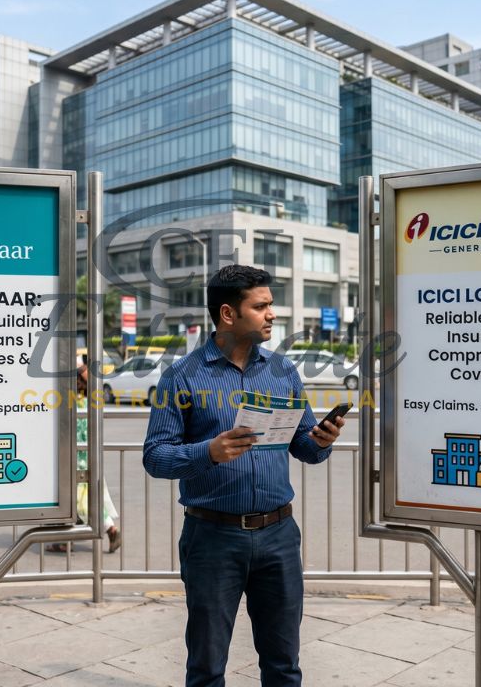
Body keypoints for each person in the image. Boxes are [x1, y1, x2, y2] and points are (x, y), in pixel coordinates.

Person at [144, 265, 344, 686]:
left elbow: (303, 447)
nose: (272, 314)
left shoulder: (282, 371)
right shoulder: (181, 377)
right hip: (212, 540)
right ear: (228, 314)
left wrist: (321, 440)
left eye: (270, 305)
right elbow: (155, 457)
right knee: (206, 665)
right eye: (262, 306)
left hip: (279, 536)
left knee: (283, 664)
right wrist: (209, 452)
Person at [48, 353, 122, 553]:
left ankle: (110, 529)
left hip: (77, 458)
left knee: (78, 498)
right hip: (84, 456)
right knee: (75, 498)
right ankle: (65, 539)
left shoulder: (76, 402)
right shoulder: (88, 399)